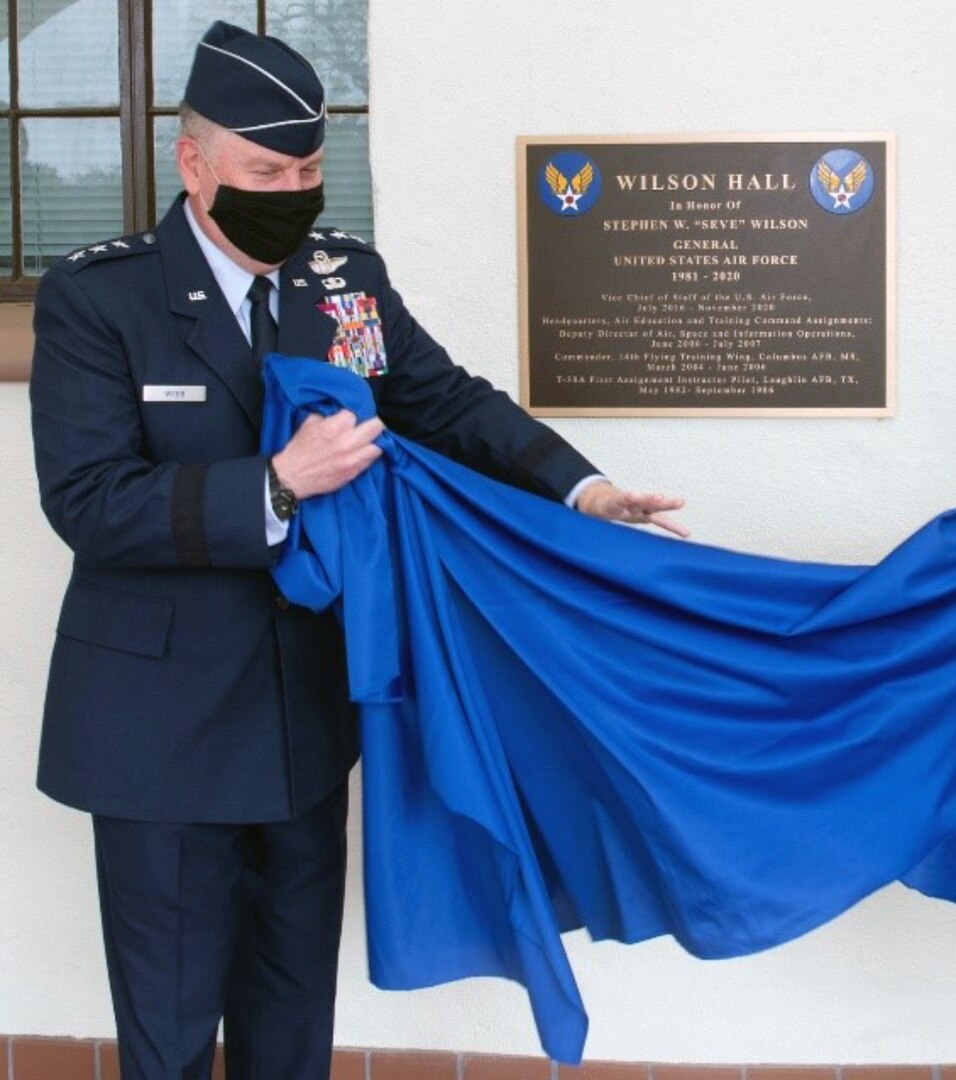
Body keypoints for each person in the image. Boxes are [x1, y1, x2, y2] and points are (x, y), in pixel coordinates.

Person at [28, 21, 683, 1080]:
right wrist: (280, 484)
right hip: (158, 737)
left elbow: (443, 401)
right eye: (265, 170)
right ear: (194, 164)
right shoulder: (101, 299)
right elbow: (92, 502)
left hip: (303, 722)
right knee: (172, 1028)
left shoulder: (341, 285)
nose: (291, 191)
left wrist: (581, 486)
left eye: (308, 169)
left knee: (292, 1014)